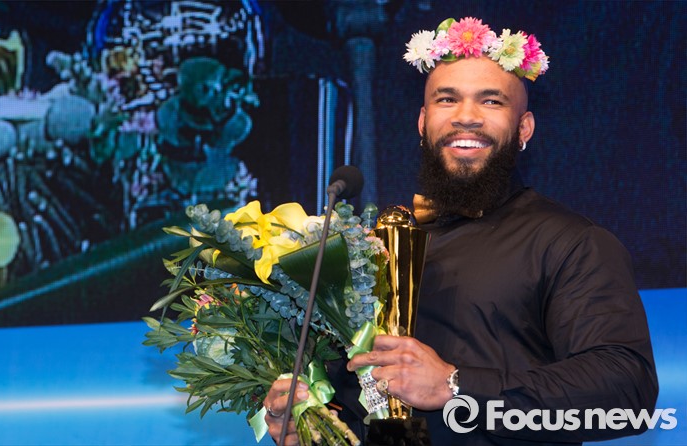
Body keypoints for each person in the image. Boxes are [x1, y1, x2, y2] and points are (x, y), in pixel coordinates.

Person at [263, 17, 658, 445]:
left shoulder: (571, 243)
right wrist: (314, 426)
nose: (466, 117)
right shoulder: (372, 249)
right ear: (422, 122)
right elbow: (374, 409)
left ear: (524, 128)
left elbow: (627, 392)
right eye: (447, 99)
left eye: (491, 101)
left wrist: (456, 386)